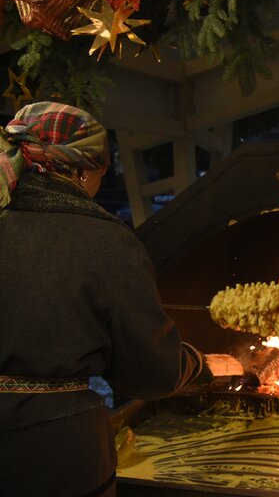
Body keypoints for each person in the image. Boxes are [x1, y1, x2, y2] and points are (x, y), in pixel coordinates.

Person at [0, 102, 211, 496]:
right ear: (82, 171)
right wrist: (196, 362)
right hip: (52, 456)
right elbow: (150, 373)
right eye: (103, 170)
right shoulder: (104, 240)